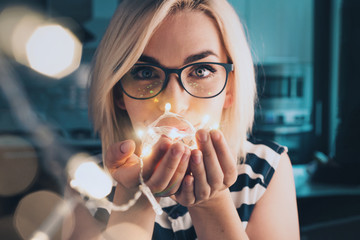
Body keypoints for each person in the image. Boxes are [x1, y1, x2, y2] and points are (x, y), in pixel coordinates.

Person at [67, 0, 300, 239]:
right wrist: (135, 200)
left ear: (230, 88)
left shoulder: (266, 170)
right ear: (118, 93)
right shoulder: (85, 187)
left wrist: (212, 204)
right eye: (145, 73)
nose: (175, 105)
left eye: (201, 71)